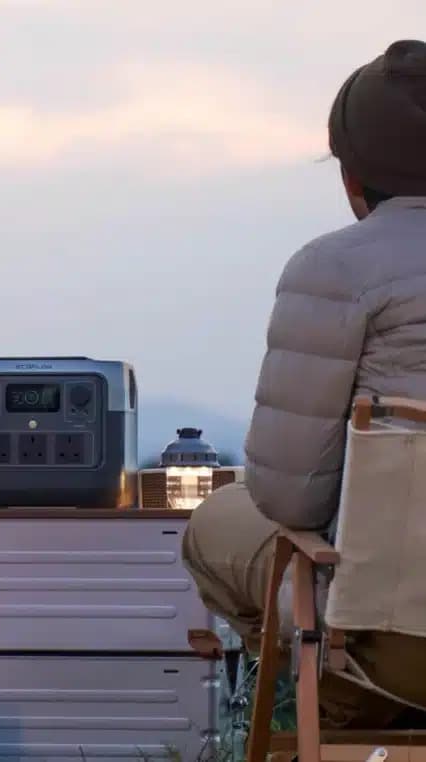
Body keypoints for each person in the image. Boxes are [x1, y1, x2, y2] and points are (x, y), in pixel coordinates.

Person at [182, 39, 426, 727]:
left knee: (213, 525)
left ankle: (349, 714)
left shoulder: (334, 271)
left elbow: (291, 498)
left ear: (351, 176)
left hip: (396, 650)